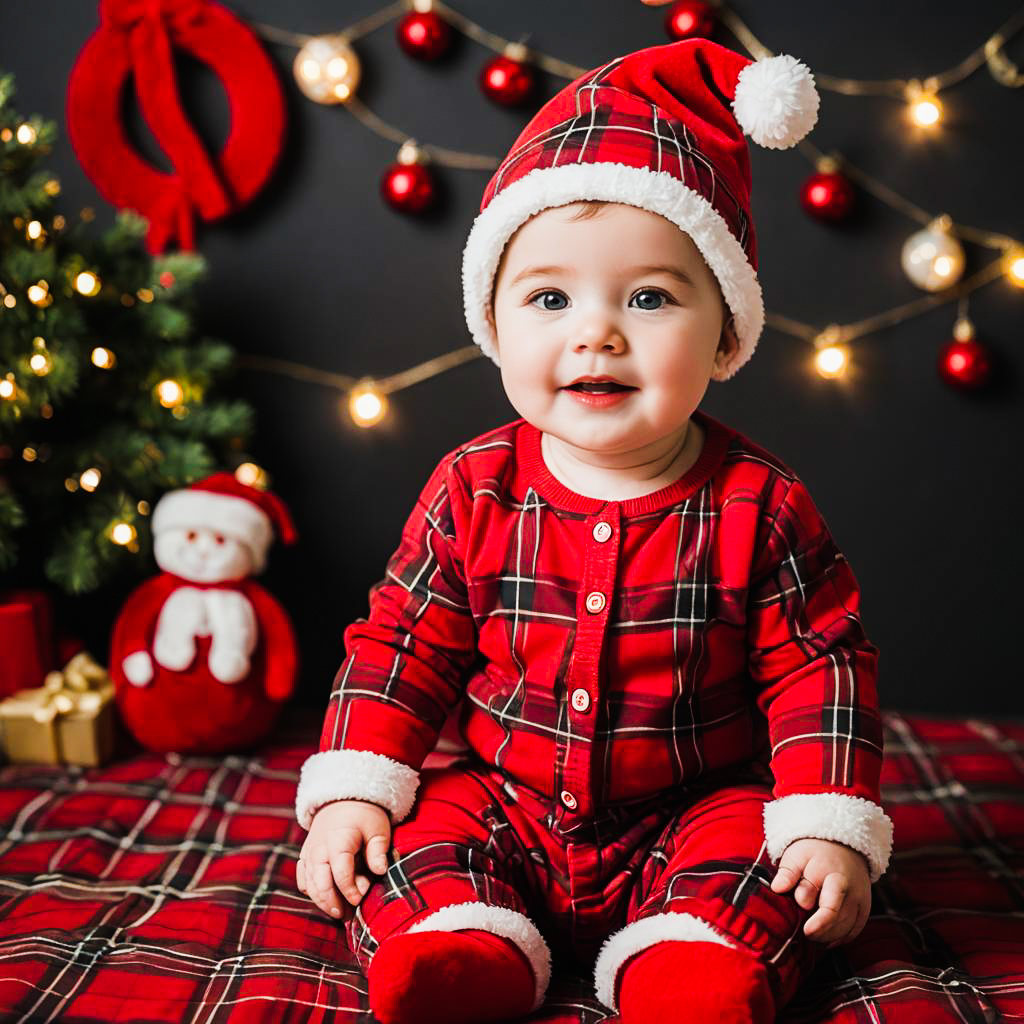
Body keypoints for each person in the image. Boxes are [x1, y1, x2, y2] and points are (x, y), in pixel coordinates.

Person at [293, 36, 893, 1024]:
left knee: (772, 871)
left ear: (725, 329)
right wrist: (361, 783)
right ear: (496, 321)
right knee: (411, 841)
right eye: (549, 297)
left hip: (693, 806)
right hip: (505, 799)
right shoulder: (472, 488)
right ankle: (461, 944)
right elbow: (403, 644)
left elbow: (818, 668)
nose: (596, 332)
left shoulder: (760, 502)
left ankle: (690, 966)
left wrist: (825, 824)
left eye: (649, 296)